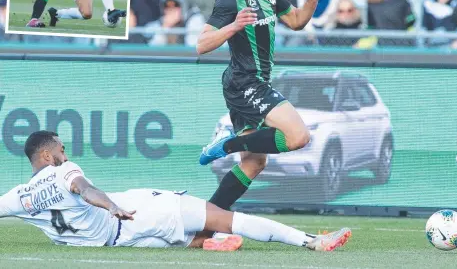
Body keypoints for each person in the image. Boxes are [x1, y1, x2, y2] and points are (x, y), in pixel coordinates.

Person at [0, 131, 351, 252]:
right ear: (47, 155)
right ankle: (311, 242)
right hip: (132, 214)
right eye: (61, 149)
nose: (66, 153)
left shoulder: (19, 196)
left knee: (192, 238)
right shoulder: (63, 171)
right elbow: (85, 188)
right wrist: (111, 206)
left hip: (118, 242)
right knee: (227, 219)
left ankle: (208, 243)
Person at [196, 0, 323, 212]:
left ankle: (207, 224)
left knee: (254, 163)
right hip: (244, 83)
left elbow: (297, 21)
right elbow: (202, 44)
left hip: (255, 83)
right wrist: (234, 25)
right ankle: (227, 143)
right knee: (298, 136)